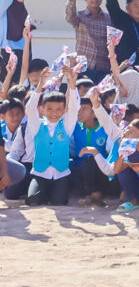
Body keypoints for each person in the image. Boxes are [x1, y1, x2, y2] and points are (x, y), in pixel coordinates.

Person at [23, 67, 80, 206]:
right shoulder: (37, 125)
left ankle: (54, 193)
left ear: (64, 110)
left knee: (59, 202)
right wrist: (41, 83)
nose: (54, 113)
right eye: (49, 109)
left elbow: (74, 107)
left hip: (61, 173)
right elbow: (30, 109)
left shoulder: (67, 125)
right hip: (40, 173)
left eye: (58, 109)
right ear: (42, 109)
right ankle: (44, 192)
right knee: (33, 200)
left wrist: (71, 82)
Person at [65, 0, 111, 83]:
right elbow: (69, 16)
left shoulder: (109, 19)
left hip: (103, 70)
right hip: (83, 69)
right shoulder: (79, 17)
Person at [1, 0, 36, 80]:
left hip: (24, 55)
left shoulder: (22, 10)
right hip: (6, 55)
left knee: (21, 88)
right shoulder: (3, 8)